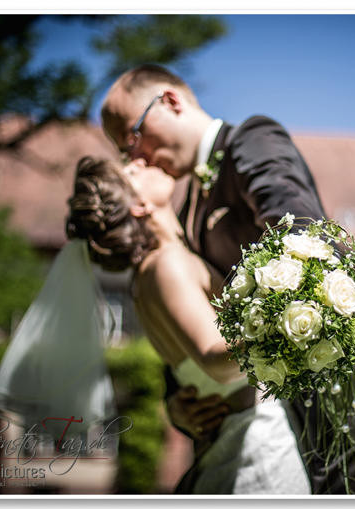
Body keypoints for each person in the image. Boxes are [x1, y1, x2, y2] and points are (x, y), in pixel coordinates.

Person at [100, 64, 355, 494]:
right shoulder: (184, 216)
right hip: (287, 430)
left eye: (133, 137)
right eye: (125, 153)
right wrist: (179, 403)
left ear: (170, 101)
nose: (136, 158)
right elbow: (194, 320)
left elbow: (303, 234)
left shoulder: (251, 140)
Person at [65, 156, 310, 494]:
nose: (140, 160)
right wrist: (296, 317)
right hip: (256, 448)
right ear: (138, 206)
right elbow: (213, 359)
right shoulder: (166, 266)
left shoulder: (147, 276)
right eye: (132, 171)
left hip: (230, 443)